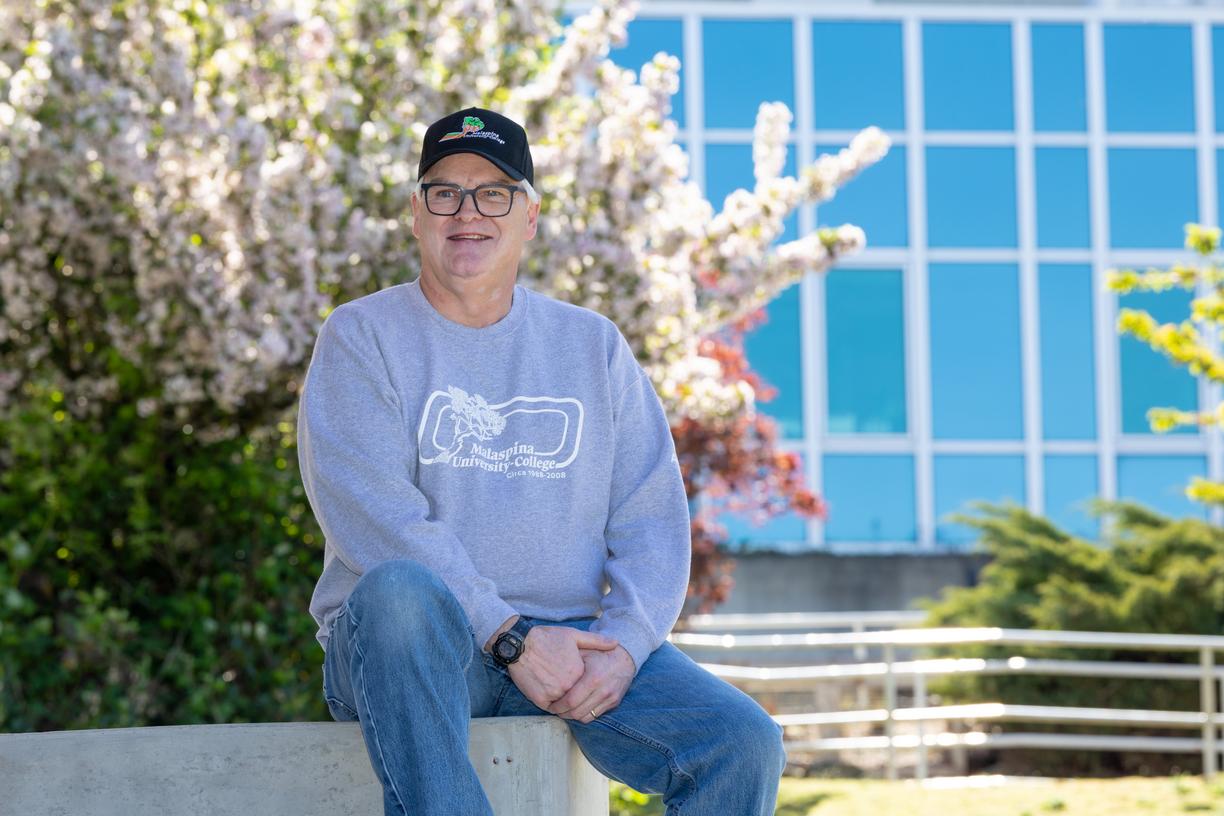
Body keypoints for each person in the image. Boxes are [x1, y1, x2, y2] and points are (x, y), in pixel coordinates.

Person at [297, 106, 786, 816]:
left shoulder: (592, 347)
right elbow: (374, 518)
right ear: (415, 213)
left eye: (493, 192)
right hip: (421, 651)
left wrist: (623, 646)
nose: (467, 212)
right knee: (400, 593)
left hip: (575, 645)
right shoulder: (360, 338)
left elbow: (651, 516)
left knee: (741, 744)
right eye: (445, 192)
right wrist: (507, 634)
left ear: (528, 216)